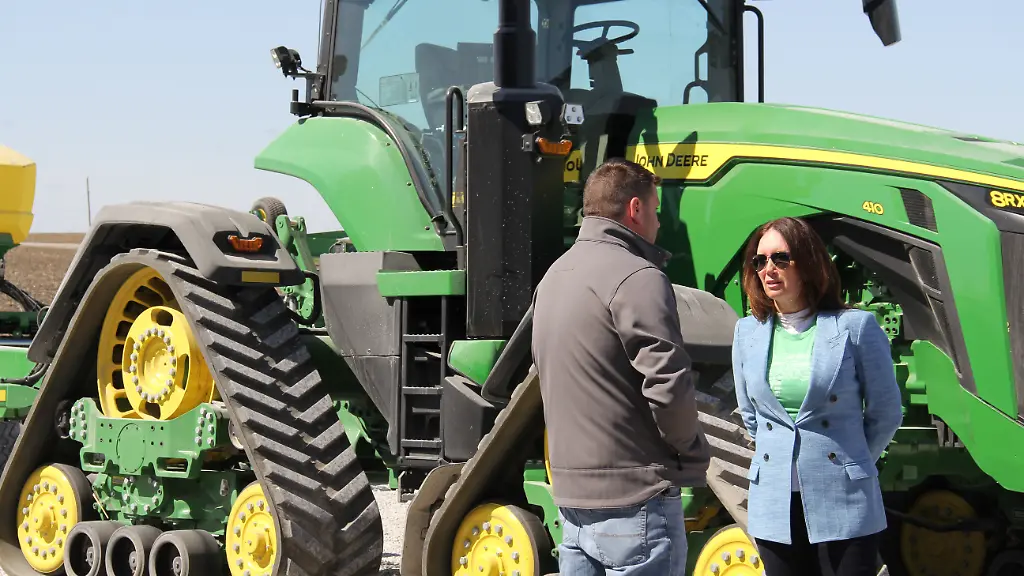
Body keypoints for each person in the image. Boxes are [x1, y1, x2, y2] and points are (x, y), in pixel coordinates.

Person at [531, 158, 710, 575]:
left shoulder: (553, 278)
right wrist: (691, 451)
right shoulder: (637, 277)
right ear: (635, 209)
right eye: (655, 211)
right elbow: (667, 382)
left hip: (573, 502)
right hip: (636, 499)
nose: (659, 224)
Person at [731, 216, 904, 576]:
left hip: (844, 500)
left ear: (809, 263)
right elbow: (752, 416)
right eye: (759, 261)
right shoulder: (747, 332)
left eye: (780, 258)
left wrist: (848, 462)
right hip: (774, 505)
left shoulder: (855, 328)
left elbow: (886, 411)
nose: (768, 269)